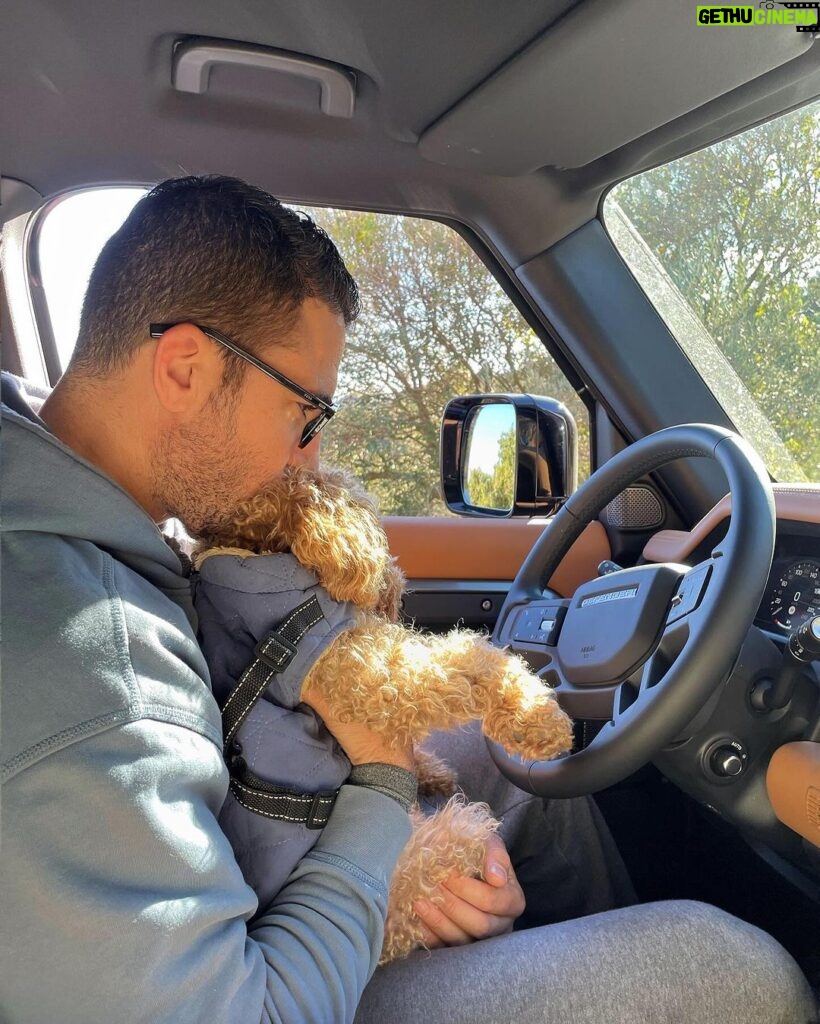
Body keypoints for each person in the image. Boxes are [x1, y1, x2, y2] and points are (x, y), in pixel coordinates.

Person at [1, 176, 815, 1024]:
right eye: (306, 414)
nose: (312, 462)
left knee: (519, 766)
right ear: (185, 369)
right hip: (265, 993)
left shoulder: (63, 484)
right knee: (732, 970)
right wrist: (382, 799)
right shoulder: (89, 687)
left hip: (238, 848)